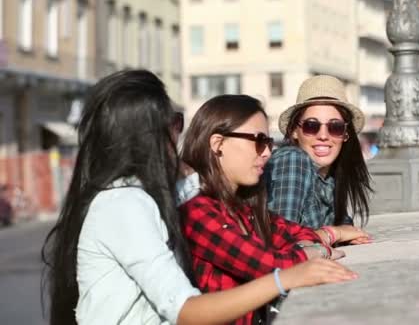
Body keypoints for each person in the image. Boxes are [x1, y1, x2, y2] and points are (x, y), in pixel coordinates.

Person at [41, 70, 356, 325]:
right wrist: (286, 277)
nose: (268, 151)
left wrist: (329, 234)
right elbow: (185, 310)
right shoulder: (125, 204)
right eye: (174, 124)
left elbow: (281, 228)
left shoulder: (159, 195)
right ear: (149, 135)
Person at [180, 94, 350, 324]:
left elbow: (297, 232)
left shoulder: (243, 206)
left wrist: (331, 235)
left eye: (268, 143)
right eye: (258, 141)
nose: (268, 152)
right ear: (218, 144)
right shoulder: (197, 212)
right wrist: (320, 251)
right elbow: (268, 265)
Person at [265, 75, 373, 247]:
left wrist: (345, 232)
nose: (323, 136)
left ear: (345, 134)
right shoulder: (293, 161)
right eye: (311, 125)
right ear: (294, 130)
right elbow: (280, 243)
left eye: (335, 127)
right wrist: (334, 233)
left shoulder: (330, 179)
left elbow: (345, 226)